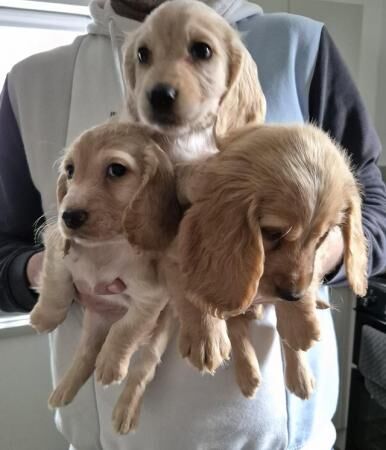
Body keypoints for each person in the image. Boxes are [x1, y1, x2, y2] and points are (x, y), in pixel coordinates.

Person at [1, 1, 385, 449]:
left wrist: (300, 262)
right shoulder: (32, 82)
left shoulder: (299, 47)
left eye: (201, 52)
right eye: (144, 58)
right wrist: (56, 275)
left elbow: (373, 212)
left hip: (281, 441)